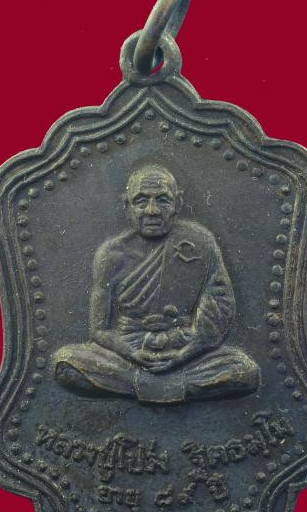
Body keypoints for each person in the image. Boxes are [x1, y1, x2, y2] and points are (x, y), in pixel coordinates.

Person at [52, 164, 259, 403]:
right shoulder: (112, 254)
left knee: (245, 372)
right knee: (66, 365)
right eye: (141, 201)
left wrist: (182, 355)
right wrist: (132, 353)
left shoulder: (200, 243)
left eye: (162, 200)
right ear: (127, 206)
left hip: (187, 351)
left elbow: (217, 319)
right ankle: (171, 387)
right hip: (128, 353)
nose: (152, 211)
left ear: (177, 205)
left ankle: (142, 386)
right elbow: (99, 330)